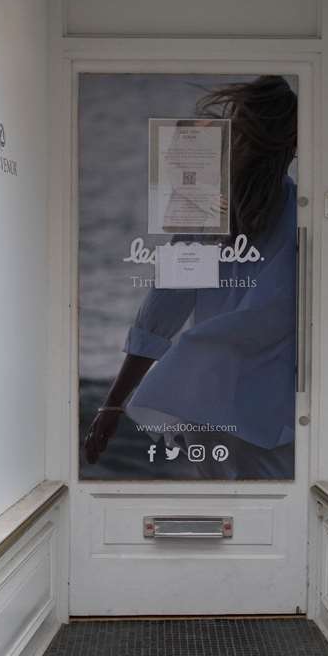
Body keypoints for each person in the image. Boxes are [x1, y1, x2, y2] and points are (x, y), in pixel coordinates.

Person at [82, 76, 299, 480]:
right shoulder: (299, 215)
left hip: (206, 392)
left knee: (232, 515)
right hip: (276, 409)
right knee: (270, 524)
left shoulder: (206, 206)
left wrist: (112, 404)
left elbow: (166, 305)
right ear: (296, 140)